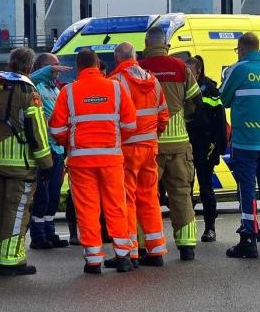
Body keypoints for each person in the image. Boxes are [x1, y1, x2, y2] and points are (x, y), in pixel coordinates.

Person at [48, 48, 137, 274]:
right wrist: (114, 140)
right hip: (111, 159)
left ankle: (93, 260)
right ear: (98, 64)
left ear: (79, 67)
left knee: (87, 209)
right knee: (116, 206)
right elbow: (129, 125)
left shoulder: (68, 92)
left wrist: (71, 143)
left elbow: (56, 128)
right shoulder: (116, 89)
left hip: (81, 161)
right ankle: (123, 255)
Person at [0, 47, 54, 276]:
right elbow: (37, 130)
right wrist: (46, 163)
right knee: (17, 211)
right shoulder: (27, 90)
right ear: (29, 67)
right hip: (19, 163)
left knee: (0, 210)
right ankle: (10, 261)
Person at [138, 27, 202, 260]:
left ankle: (146, 246)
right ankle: (187, 246)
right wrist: (183, 119)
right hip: (179, 143)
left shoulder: (140, 68)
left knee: (146, 196)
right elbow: (196, 100)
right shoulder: (180, 67)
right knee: (181, 194)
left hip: (149, 143)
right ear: (165, 43)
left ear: (147, 44)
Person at [220, 32, 260, 259]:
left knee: (246, 189)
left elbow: (223, 99)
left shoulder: (238, 69)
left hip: (246, 140)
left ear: (242, 49)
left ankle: (248, 237)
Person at [110, 42, 170, 267]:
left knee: (127, 199)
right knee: (150, 198)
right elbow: (163, 115)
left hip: (126, 149)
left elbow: (112, 119)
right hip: (149, 147)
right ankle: (156, 251)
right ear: (135, 56)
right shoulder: (153, 80)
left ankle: (131, 251)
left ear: (117, 58)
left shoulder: (116, 82)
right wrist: (152, 135)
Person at [29, 53, 73, 249]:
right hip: (44, 148)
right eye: (54, 67)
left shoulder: (54, 89)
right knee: (42, 196)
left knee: (54, 195)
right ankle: (38, 235)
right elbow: (29, 80)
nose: (58, 70)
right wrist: (45, 72)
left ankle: (49, 231)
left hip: (57, 148)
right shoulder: (34, 86)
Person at [185, 55, 228, 243]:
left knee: (205, 187)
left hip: (205, 146)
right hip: (186, 144)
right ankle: (187, 228)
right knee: (185, 188)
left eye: (189, 71)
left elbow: (219, 121)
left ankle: (210, 227)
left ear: (198, 71)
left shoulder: (210, 91)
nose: (186, 75)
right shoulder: (183, 89)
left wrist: (218, 147)